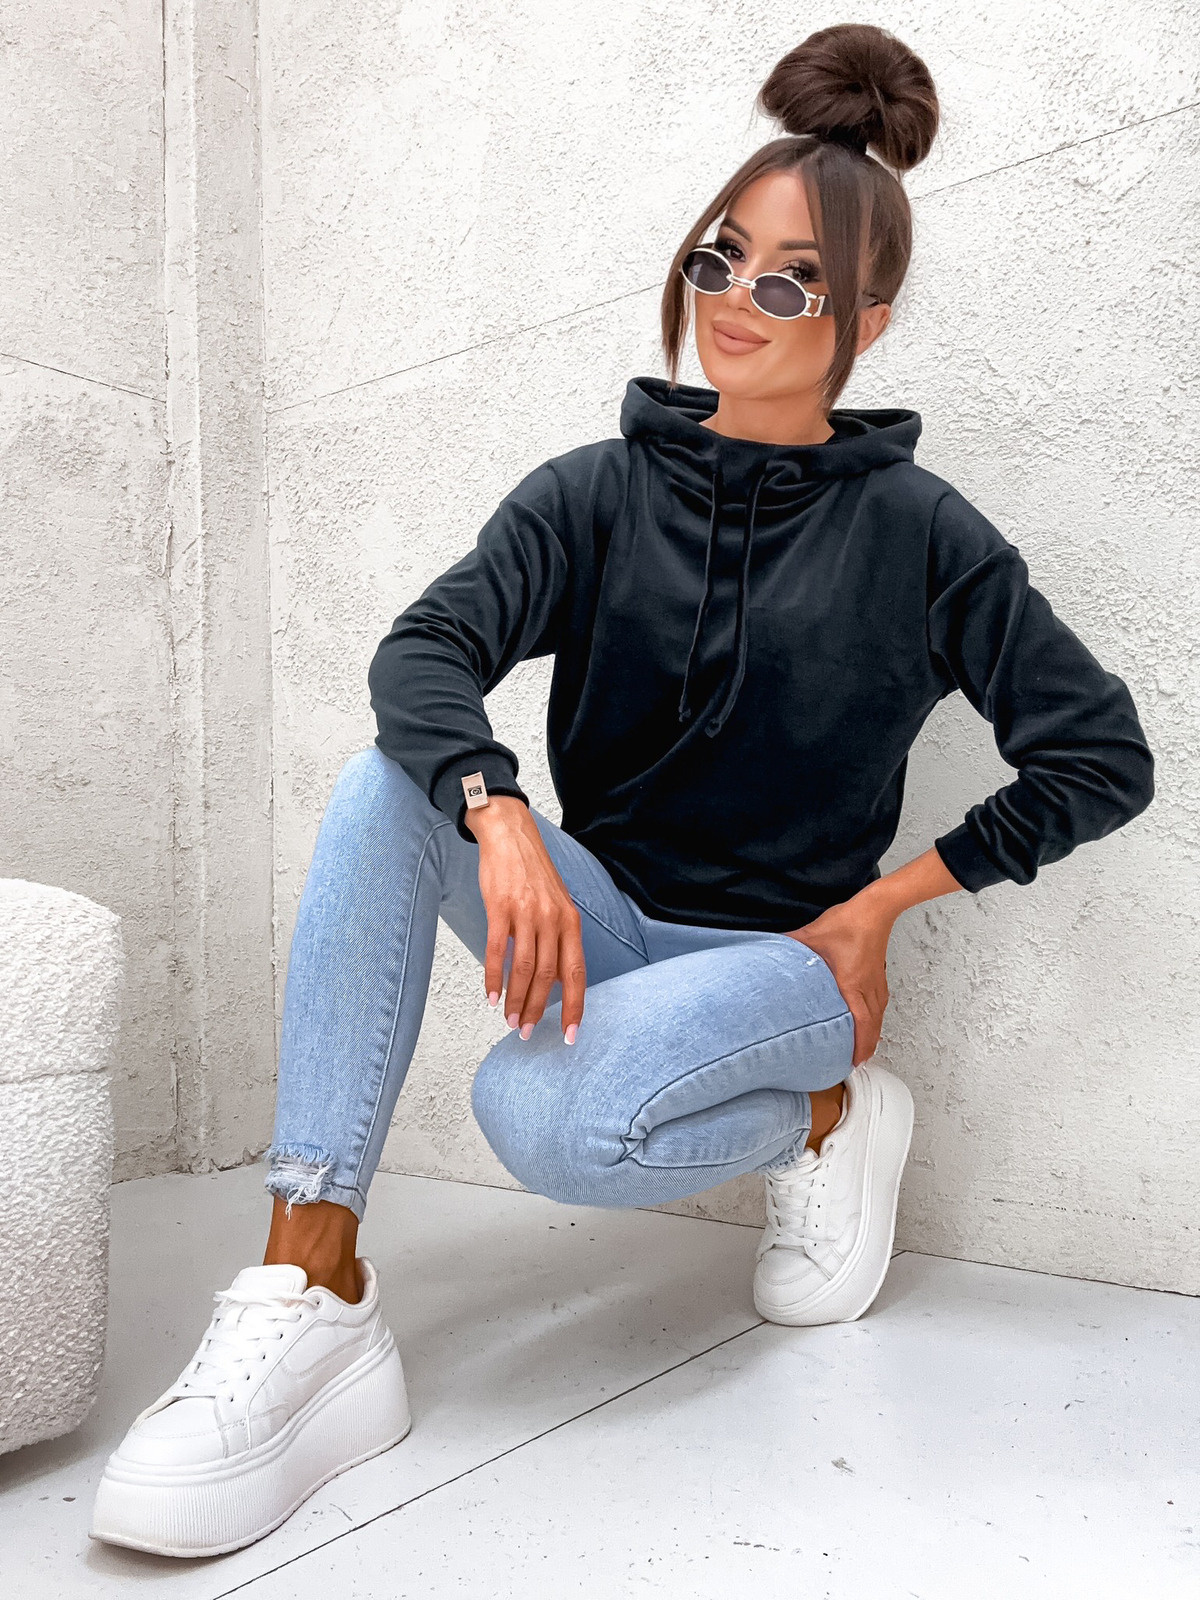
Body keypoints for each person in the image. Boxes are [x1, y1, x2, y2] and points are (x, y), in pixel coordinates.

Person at [91, 21, 1154, 1559]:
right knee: (387, 787)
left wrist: (884, 909)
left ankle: (831, 1111)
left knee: (534, 1110)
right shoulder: (591, 497)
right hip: (611, 923)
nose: (734, 300)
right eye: (722, 258)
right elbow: (425, 652)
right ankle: (312, 1281)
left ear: (867, 318)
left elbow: (1100, 755)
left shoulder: (923, 536)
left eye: (790, 281)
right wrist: (495, 807)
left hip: (782, 966)